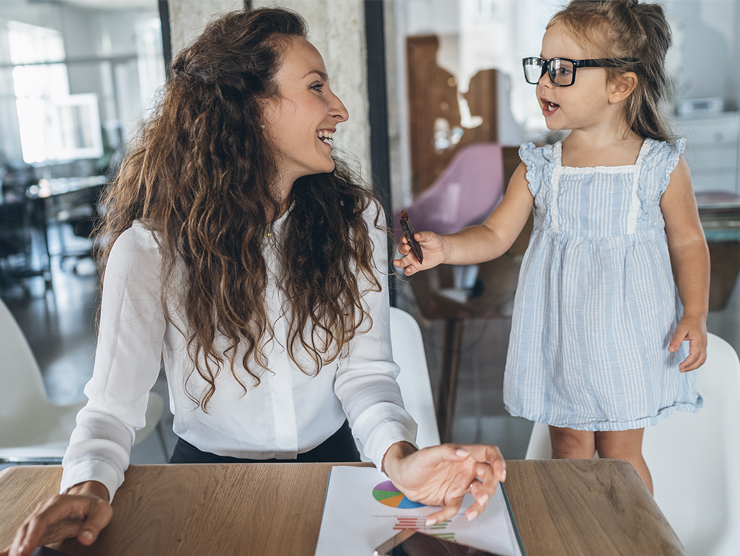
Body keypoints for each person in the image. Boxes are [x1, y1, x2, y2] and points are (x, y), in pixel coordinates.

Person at [3, 8, 506, 556]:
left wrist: (401, 459)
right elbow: (110, 409)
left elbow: (366, 374)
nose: (338, 109)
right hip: (203, 483)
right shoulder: (150, 248)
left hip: (338, 468)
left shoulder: (356, 222)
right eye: (316, 87)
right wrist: (88, 486)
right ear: (250, 108)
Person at [396, 0, 708, 495]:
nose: (543, 82)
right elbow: (495, 234)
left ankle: (634, 541)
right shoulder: (541, 166)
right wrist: (446, 249)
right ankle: (573, 540)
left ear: (619, 85)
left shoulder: (658, 166)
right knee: (567, 449)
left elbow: (689, 241)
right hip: (563, 337)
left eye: (562, 71)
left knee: (622, 455)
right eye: (541, 66)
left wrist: (694, 312)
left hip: (629, 338)